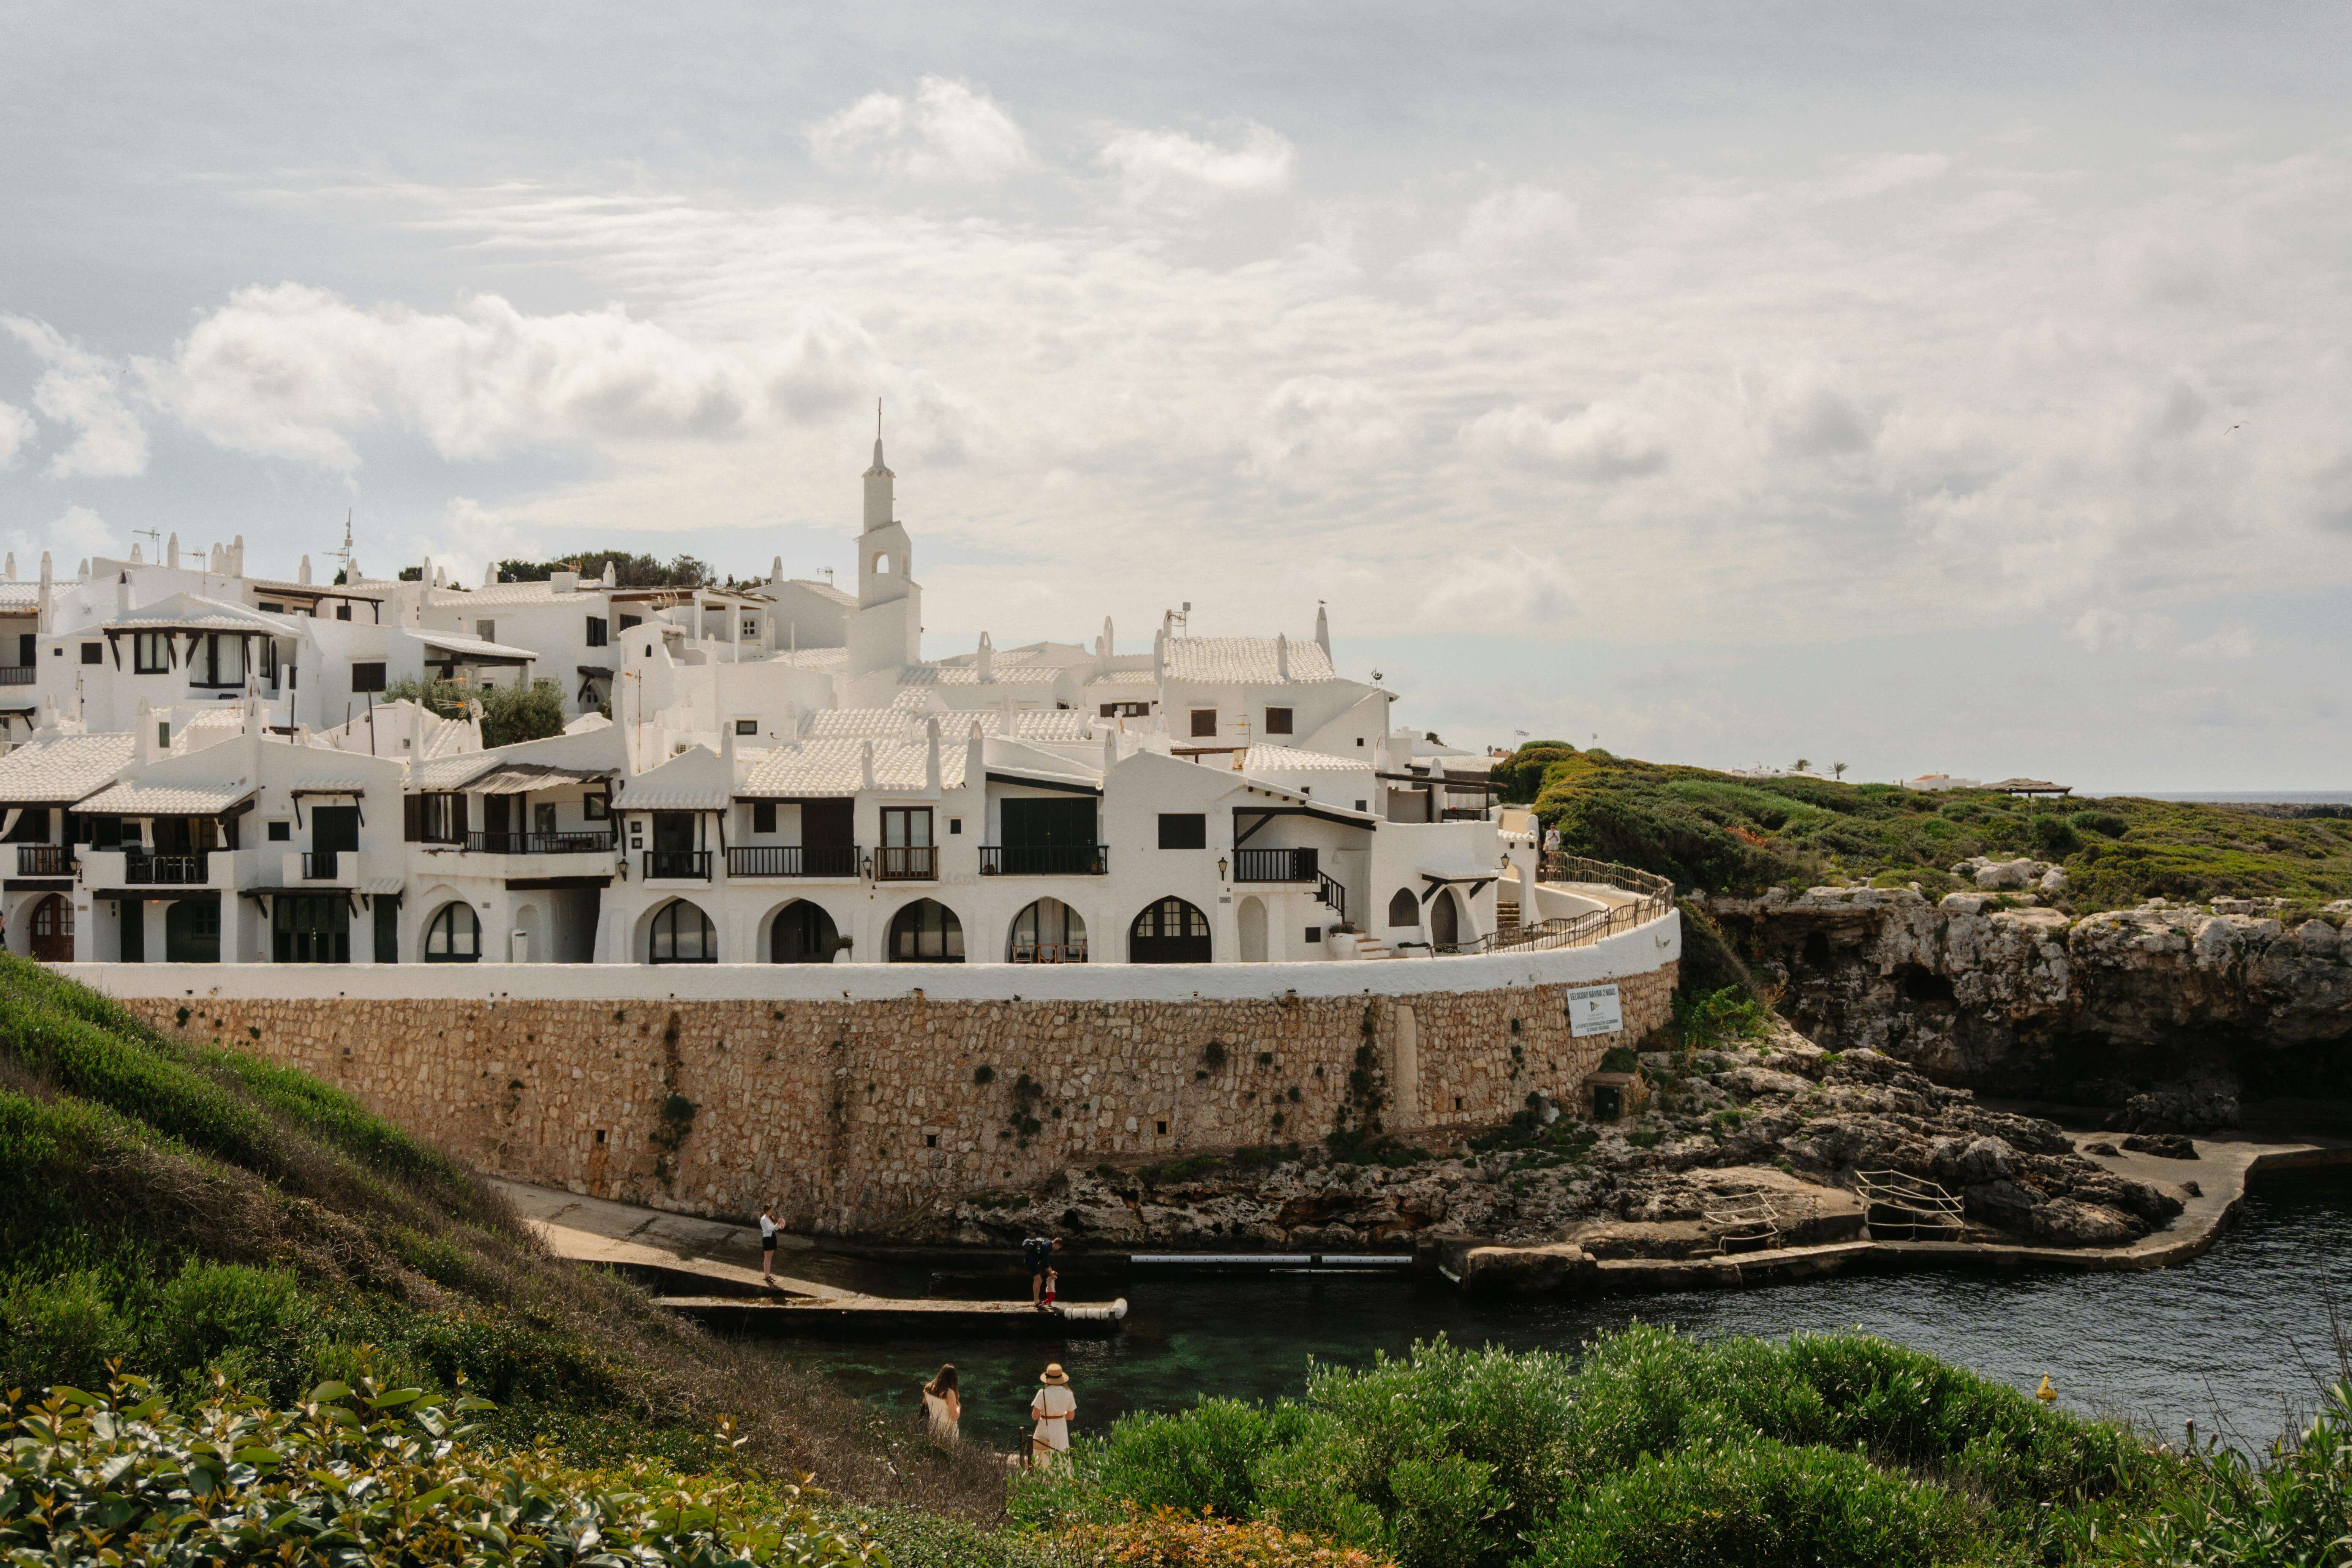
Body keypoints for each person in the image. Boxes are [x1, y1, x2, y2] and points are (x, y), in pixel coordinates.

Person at [1030, 1363, 1076, 1469]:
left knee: (1043, 1456)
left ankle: (1043, 1481)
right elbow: (1071, 1417)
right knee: (1061, 1456)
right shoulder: (1069, 1394)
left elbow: (1034, 1417)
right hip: (1061, 1430)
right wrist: (1061, 1414)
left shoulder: (1043, 1393)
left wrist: (1045, 1413)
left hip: (1045, 1429)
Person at [921, 1364, 961, 1446]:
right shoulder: (949, 1393)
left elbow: (927, 1406)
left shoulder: (928, 1389)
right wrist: (958, 1407)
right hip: (948, 1430)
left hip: (934, 1427)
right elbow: (954, 1418)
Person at [1021, 1234, 1061, 1309]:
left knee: (1037, 1280)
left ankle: (1036, 1301)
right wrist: (1051, 1274)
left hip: (1032, 1262)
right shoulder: (1047, 1247)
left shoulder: (1048, 1243)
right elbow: (1045, 1263)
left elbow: (1045, 1261)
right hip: (1031, 1262)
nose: (1058, 1249)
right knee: (1039, 1280)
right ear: (1057, 1245)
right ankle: (1036, 1302)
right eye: (1059, 1248)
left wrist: (1051, 1272)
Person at [758, 1203, 779, 1287]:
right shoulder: (763, 1219)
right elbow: (768, 1230)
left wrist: (780, 1223)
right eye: (770, 1211)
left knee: (770, 1257)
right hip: (767, 1239)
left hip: (773, 1237)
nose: (772, 1212)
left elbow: (776, 1228)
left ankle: (769, 1275)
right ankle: (766, 1276)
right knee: (767, 1258)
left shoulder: (771, 1218)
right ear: (767, 1211)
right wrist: (777, 1225)